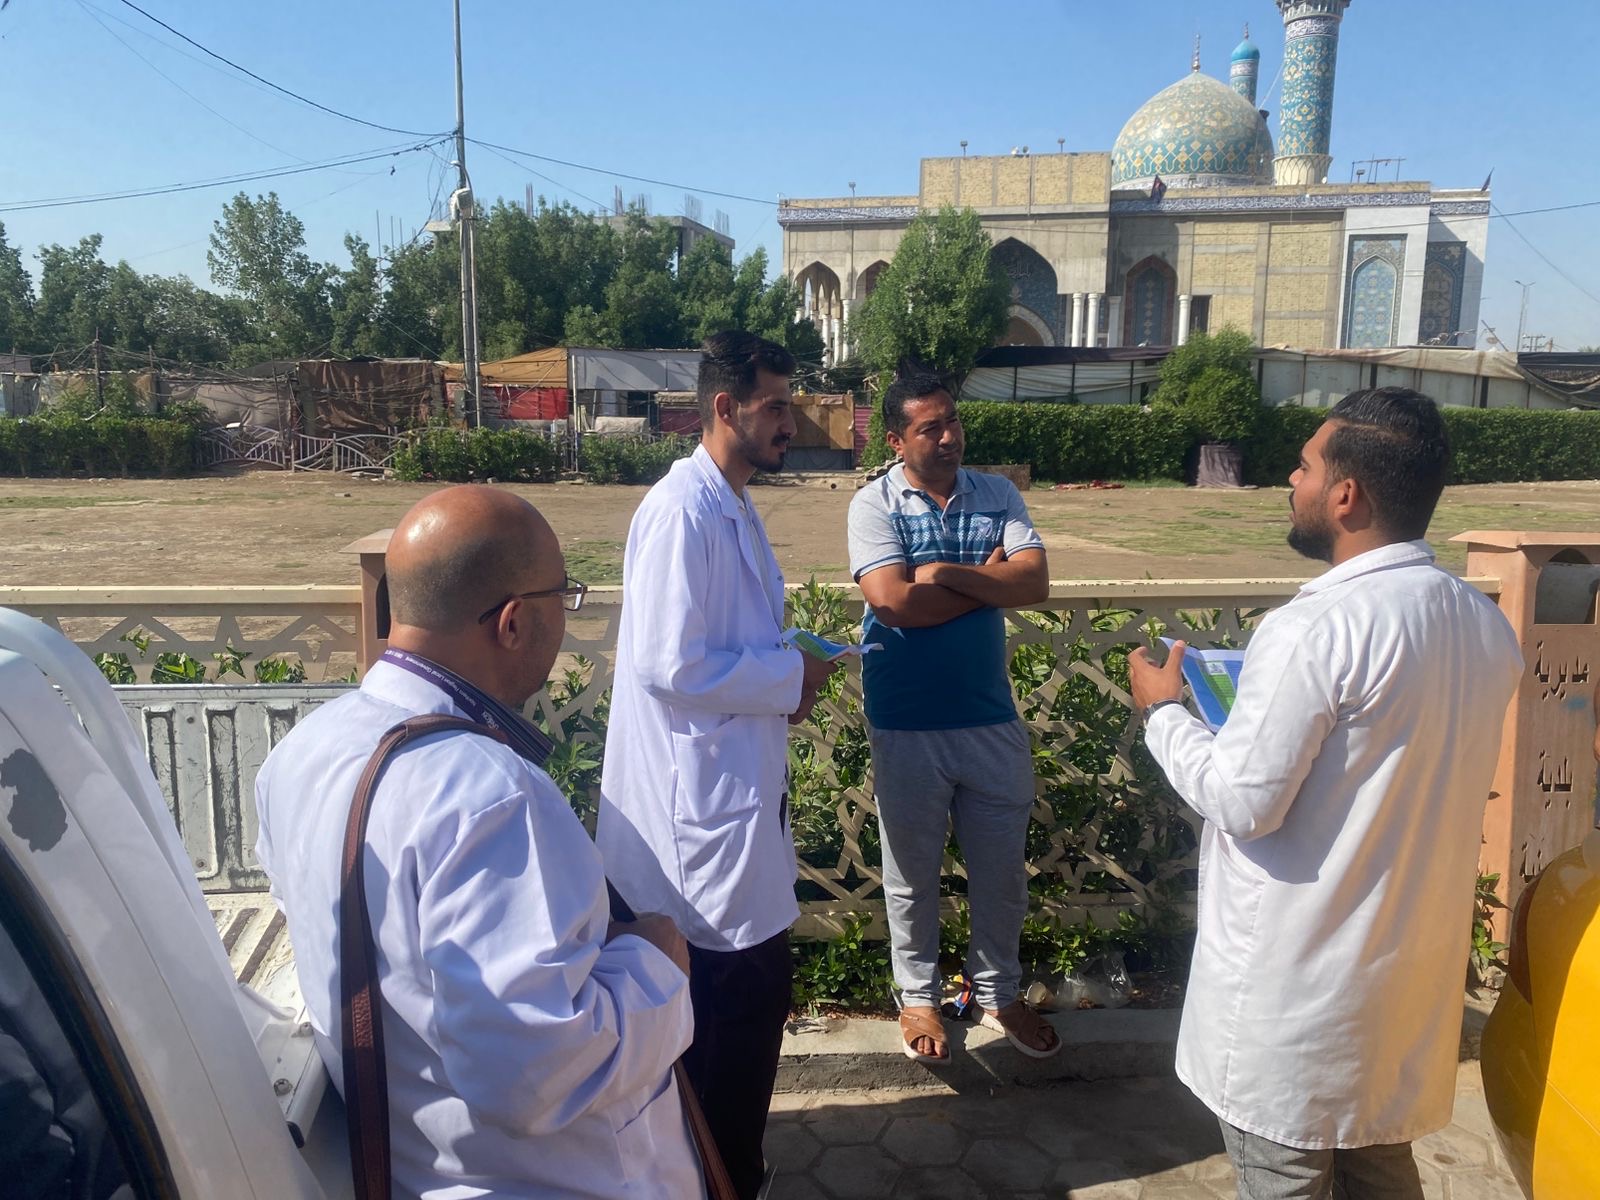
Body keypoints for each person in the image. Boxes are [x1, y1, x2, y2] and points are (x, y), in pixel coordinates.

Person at [1128, 388, 1522, 1199]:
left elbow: (1242, 801)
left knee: (1288, 1171)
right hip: (1400, 995)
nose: (1291, 479)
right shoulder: (1482, 625)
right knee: (1380, 1161)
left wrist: (1163, 713)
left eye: (1304, 466)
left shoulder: (1316, 627)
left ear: (1346, 495)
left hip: (1299, 1006)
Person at [255, 486, 703, 1199]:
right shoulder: (492, 794)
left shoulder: (302, 753)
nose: (567, 618)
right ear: (514, 622)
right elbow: (538, 1073)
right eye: (566, 596)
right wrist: (656, 957)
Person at [597, 331, 836, 1200]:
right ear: (725, 408)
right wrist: (786, 676)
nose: (790, 422)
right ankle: (719, 1179)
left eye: (789, 405)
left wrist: (792, 670)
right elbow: (669, 663)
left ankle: (729, 1171)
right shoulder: (681, 512)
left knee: (747, 1013)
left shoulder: (731, 503)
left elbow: (729, 644)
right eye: (775, 406)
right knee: (730, 1020)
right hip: (692, 830)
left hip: (730, 803)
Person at [846, 365, 1056, 1065]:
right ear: (896, 439)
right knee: (912, 878)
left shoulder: (996, 493)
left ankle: (998, 993)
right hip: (905, 721)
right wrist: (987, 582)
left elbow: (1034, 582)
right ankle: (918, 997)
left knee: (1002, 876)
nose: (948, 437)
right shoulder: (873, 504)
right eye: (930, 427)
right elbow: (891, 603)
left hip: (989, 718)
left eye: (953, 420)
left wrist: (941, 574)